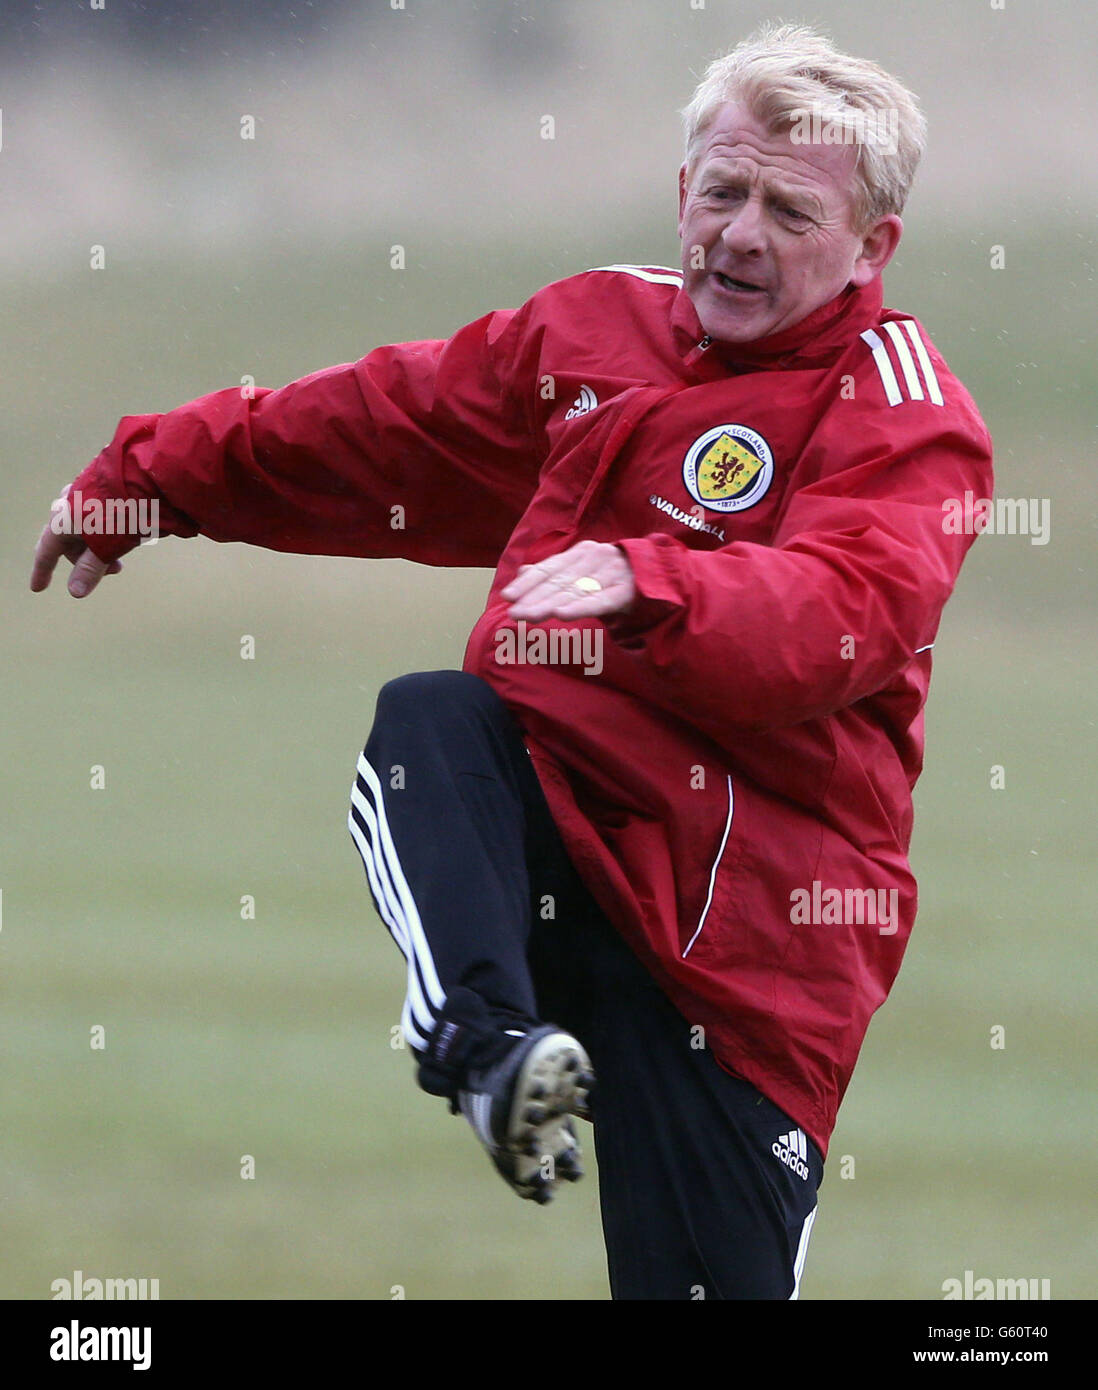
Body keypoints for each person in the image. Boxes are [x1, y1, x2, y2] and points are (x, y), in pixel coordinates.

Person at [30, 23, 993, 1299]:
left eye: (788, 208)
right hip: (559, 847)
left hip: (748, 950)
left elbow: (847, 607)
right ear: (684, 191)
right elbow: (384, 429)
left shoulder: (907, 410)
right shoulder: (593, 331)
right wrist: (149, 476)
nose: (740, 232)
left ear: (873, 246)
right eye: (721, 192)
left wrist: (654, 580)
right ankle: (491, 1054)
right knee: (433, 725)